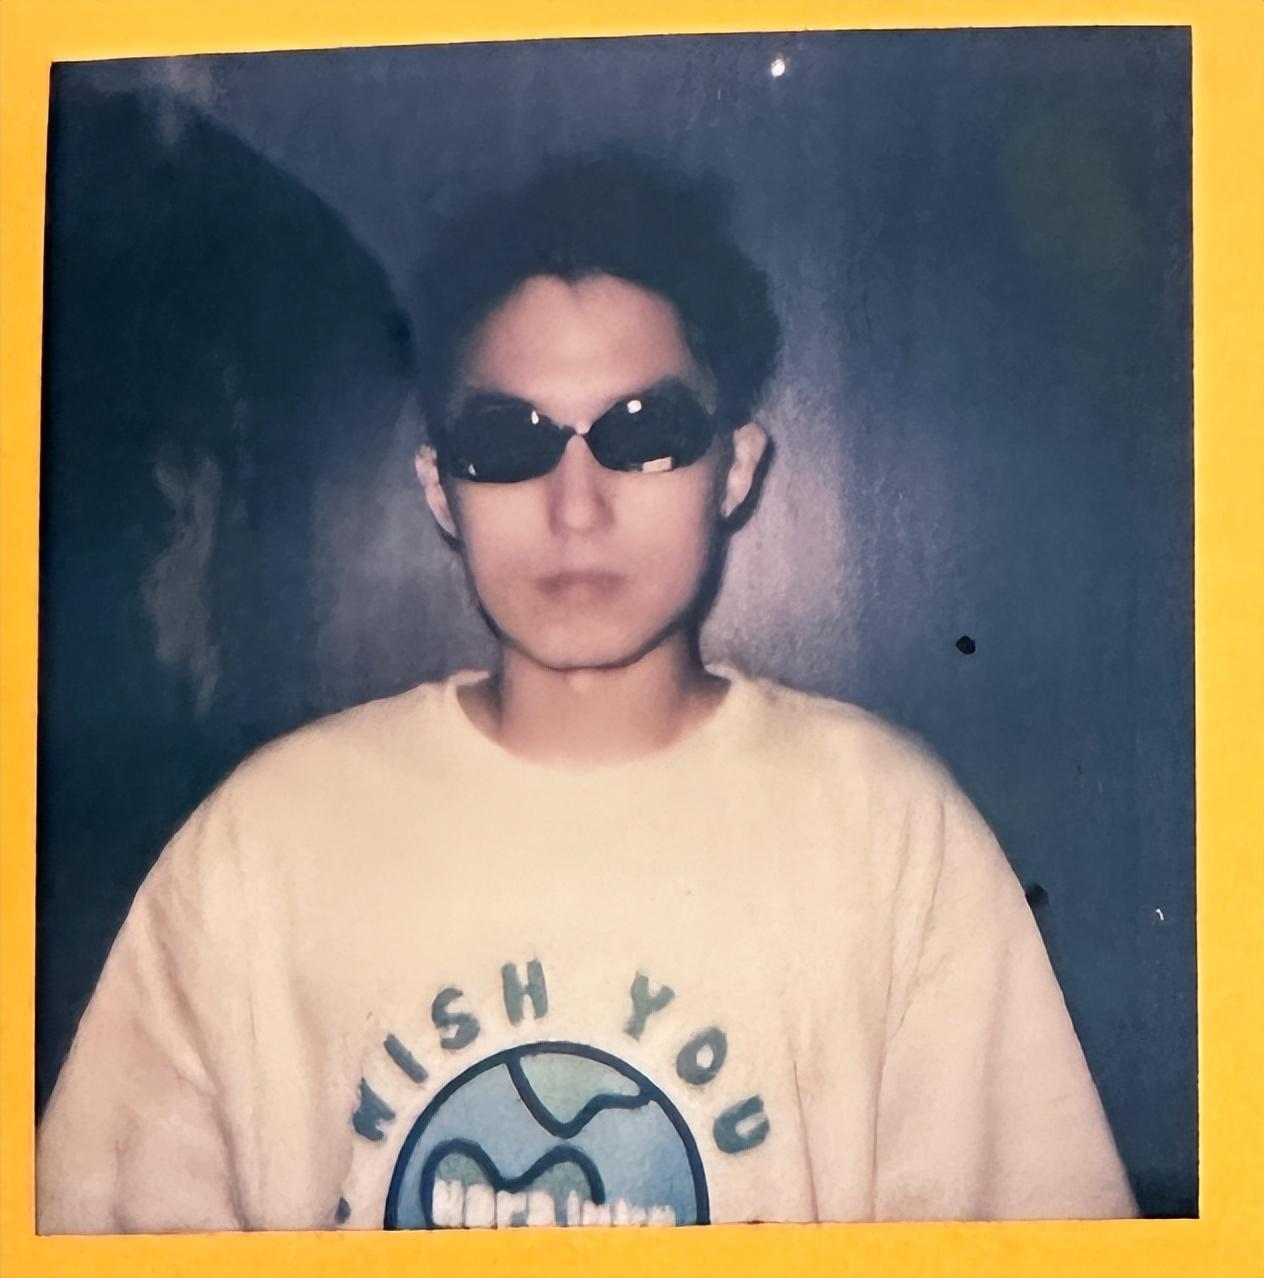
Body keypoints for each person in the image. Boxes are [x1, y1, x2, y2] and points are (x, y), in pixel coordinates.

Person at [36, 151, 1137, 1233]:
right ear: (440, 488)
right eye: (505, 440)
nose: (576, 506)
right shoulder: (264, 843)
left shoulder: (889, 829)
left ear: (734, 470)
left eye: (645, 434)